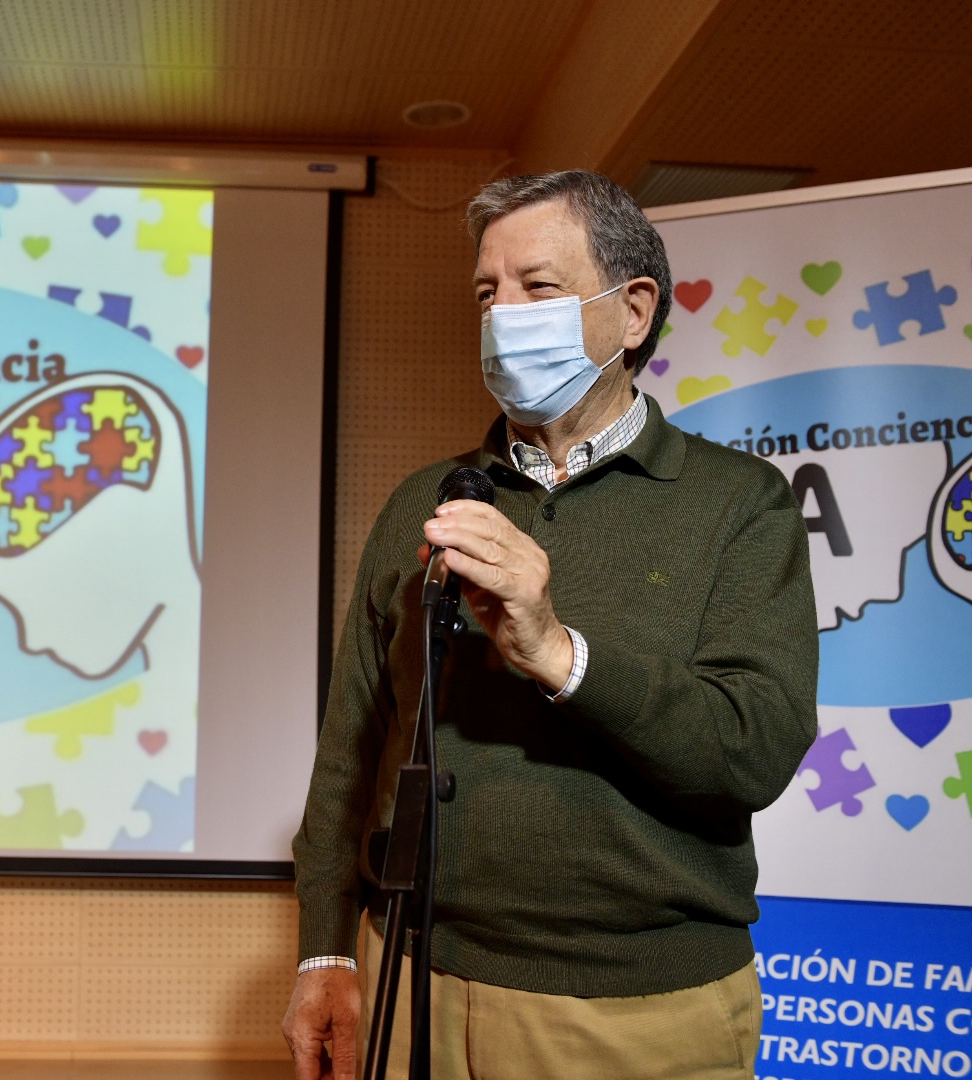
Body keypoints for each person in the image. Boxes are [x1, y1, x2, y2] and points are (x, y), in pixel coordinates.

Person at [281, 170, 819, 1080]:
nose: (502, 316)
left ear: (634, 311)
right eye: (487, 293)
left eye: (539, 287)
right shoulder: (428, 499)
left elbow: (753, 749)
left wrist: (558, 652)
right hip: (409, 978)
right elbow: (348, 754)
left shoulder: (740, 504)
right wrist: (327, 950)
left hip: (633, 1008)